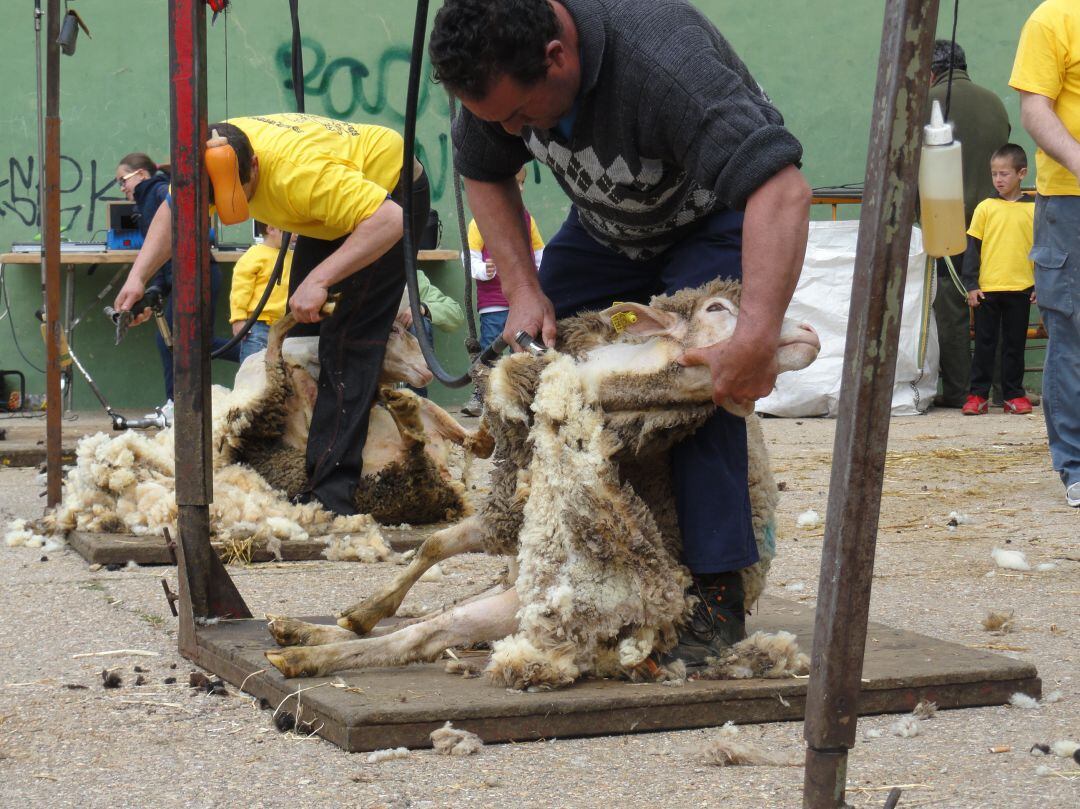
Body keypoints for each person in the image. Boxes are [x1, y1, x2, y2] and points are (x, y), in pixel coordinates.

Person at [429, 0, 811, 664]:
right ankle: (555, 564)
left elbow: (781, 189)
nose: (516, 132)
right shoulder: (500, 66)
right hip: (610, 227)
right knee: (531, 367)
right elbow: (483, 169)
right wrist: (523, 293)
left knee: (697, 379)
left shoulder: (666, 62)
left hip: (712, 218)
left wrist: (753, 338)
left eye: (522, 117)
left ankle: (715, 595)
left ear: (557, 57)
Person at [114, 113, 430, 515]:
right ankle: (310, 462)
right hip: (334, 208)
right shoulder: (205, 156)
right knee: (305, 337)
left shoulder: (300, 175)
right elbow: (174, 212)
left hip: (390, 194)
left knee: (347, 341)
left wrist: (320, 278)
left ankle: (333, 496)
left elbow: (389, 220)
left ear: (256, 166)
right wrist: (138, 277)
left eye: (238, 192)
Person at [1010, 0, 1080, 508]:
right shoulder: (1054, 16)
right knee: (1073, 331)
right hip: (1071, 199)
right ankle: (1076, 466)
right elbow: (1035, 108)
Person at [114, 153, 240, 423]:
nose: (122, 188)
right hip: (187, 276)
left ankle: (177, 404)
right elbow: (162, 253)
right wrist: (154, 291)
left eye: (122, 181)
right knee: (191, 343)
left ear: (140, 175)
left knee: (177, 342)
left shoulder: (158, 192)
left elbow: (197, 230)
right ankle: (257, 352)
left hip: (196, 275)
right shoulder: (148, 199)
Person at [926, 41, 1011, 409]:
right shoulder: (994, 101)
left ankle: (962, 390)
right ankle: (1004, 390)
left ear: (930, 71)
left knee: (951, 305)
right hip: (994, 219)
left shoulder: (925, 102)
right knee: (1000, 303)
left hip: (948, 220)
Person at [461, 165, 545, 416]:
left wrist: (539, 277)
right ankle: (482, 395)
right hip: (495, 302)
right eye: (512, 183)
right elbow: (468, 257)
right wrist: (481, 270)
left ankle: (522, 397)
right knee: (490, 348)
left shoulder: (528, 219)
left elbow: (540, 252)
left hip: (524, 302)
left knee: (523, 351)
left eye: (521, 184)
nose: (517, 189)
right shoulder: (480, 222)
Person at [960, 144, 1036, 417]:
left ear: (1022, 173)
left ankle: (1013, 395)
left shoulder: (1034, 210)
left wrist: (1039, 284)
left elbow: (1040, 250)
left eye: (1004, 173)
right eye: (994, 174)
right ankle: (977, 395)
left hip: (1021, 289)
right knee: (984, 344)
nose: (998, 179)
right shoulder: (985, 208)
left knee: (1015, 345)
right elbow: (973, 250)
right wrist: (971, 284)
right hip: (987, 291)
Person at [229, 224, 294, 363]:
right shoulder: (254, 255)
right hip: (257, 325)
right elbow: (240, 289)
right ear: (271, 229)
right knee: (252, 370)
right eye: (290, 230)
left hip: (283, 327)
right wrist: (238, 319)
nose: (295, 235)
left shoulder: (291, 256)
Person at [396, 270, 465, 396]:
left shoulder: (412, 276)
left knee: (420, 322)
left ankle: (416, 395)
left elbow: (456, 314)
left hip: (402, 342)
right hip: (371, 346)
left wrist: (422, 308)